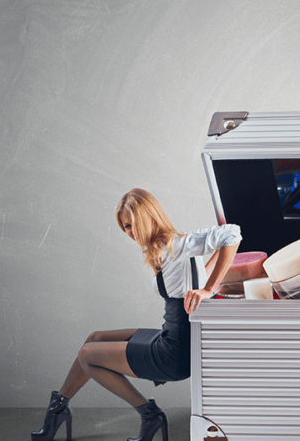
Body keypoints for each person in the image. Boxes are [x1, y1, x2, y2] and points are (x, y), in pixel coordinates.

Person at [31, 188, 241, 441]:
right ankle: (58, 409)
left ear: (148, 216)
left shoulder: (174, 244)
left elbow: (231, 234)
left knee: (87, 355)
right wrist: (202, 284)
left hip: (175, 354)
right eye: (125, 228)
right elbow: (194, 274)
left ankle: (149, 414)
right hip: (171, 337)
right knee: (94, 338)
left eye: (132, 225)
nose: (130, 233)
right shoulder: (163, 248)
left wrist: (208, 290)